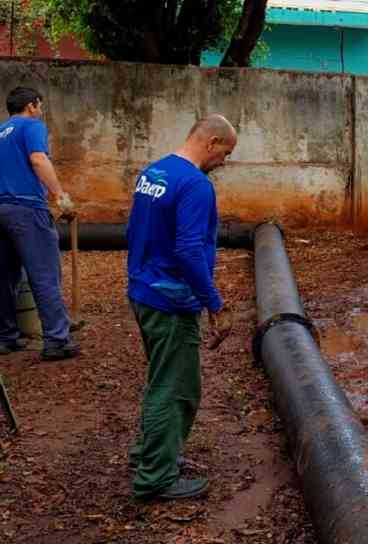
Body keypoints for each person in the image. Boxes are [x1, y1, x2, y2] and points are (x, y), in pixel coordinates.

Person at [127, 114, 236, 501]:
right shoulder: (195, 185)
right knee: (177, 389)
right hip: (170, 300)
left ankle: (148, 453)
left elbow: (136, 231)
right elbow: (189, 249)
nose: (225, 161)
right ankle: (155, 478)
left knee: (161, 379)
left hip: (143, 291)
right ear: (211, 142)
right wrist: (214, 303)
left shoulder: (153, 173)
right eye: (226, 152)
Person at [0, 86, 79, 360]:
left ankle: (5, 337)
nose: (41, 110)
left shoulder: (1, 133)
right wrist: (59, 195)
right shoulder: (31, 125)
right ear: (32, 106)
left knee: (4, 276)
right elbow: (37, 158)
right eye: (40, 105)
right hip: (25, 208)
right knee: (44, 273)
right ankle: (57, 340)